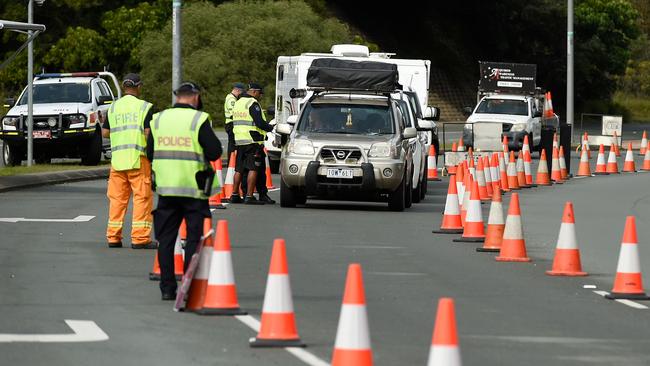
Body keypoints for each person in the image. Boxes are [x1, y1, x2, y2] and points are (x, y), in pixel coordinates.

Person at [147, 82, 222, 300]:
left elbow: (150, 153)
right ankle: (189, 288)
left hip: (166, 190)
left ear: (177, 96)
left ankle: (167, 288)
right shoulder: (198, 120)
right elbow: (215, 151)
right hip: (193, 192)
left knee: (166, 241)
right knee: (193, 240)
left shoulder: (159, 119)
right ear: (195, 97)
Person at [102, 73, 156, 249]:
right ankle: (140, 239)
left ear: (124, 87)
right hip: (138, 159)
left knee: (117, 200)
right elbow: (148, 133)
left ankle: (113, 237)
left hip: (117, 161)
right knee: (141, 198)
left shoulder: (113, 108)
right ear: (139, 87)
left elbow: (105, 133)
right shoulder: (144, 107)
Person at [231, 82, 274, 205]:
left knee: (239, 169)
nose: (260, 96)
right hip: (252, 140)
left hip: (240, 140)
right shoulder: (252, 103)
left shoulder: (238, 102)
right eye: (260, 93)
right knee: (253, 168)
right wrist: (270, 128)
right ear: (254, 91)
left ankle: (234, 194)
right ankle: (249, 196)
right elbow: (259, 122)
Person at [224, 83, 246, 156]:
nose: (241, 94)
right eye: (241, 92)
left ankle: (232, 162)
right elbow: (234, 113)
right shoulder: (231, 99)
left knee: (233, 144)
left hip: (230, 123)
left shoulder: (231, 97)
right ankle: (231, 162)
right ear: (237, 90)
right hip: (231, 123)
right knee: (232, 145)